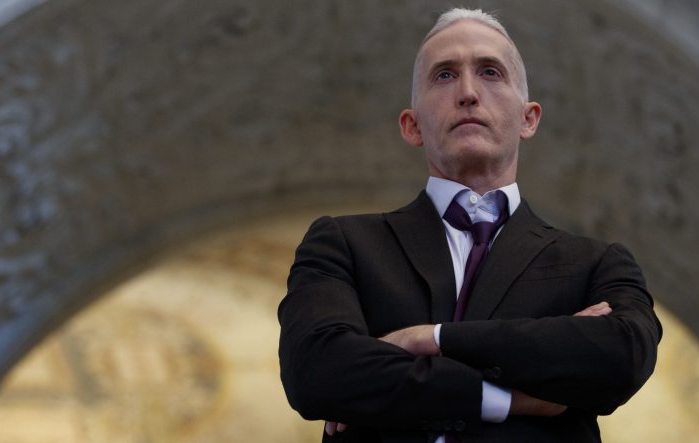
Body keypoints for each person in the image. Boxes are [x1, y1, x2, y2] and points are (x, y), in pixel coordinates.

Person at [278, 7, 661, 443]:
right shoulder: (343, 243)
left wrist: (430, 338)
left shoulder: (596, 263)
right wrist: (508, 399)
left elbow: (622, 353)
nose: (467, 92)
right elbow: (315, 371)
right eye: (444, 75)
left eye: (491, 72)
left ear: (529, 118)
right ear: (412, 125)